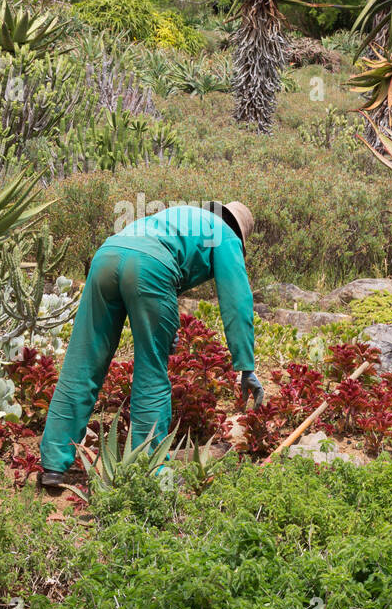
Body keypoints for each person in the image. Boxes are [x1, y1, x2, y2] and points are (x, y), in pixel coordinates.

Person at [37, 201, 263, 490]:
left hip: (107, 255)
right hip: (148, 266)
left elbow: (165, 267)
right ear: (238, 230)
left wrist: (168, 329)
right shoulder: (225, 235)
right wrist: (246, 366)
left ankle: (54, 464)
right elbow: (237, 301)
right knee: (151, 370)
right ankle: (148, 469)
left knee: (83, 359)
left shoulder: (181, 217)